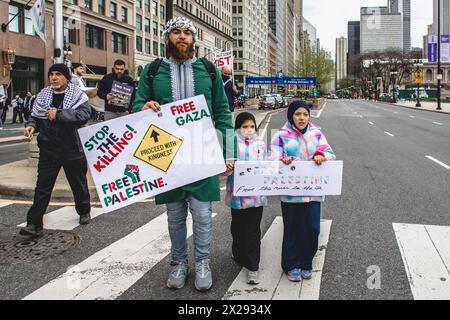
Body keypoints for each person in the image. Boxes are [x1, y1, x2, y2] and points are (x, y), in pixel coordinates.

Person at [132, 16, 235, 292]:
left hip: (201, 153)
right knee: (174, 216)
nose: (181, 37)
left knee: (202, 214)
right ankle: (178, 263)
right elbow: (137, 105)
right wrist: (143, 107)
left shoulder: (209, 70)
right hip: (165, 157)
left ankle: (202, 262)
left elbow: (224, 112)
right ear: (167, 38)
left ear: (193, 39)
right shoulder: (153, 71)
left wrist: (229, 151)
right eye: (175, 32)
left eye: (186, 33)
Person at [19, 64, 92, 237]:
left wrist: (58, 114)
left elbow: (84, 115)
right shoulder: (43, 95)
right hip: (49, 149)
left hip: (72, 148)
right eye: (51, 74)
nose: (54, 77)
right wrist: (30, 126)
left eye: (58, 74)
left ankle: (83, 211)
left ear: (67, 77)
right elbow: (35, 117)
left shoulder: (77, 95)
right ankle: (34, 224)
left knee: (78, 183)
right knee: (42, 187)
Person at [270, 100, 336, 282]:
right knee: (292, 230)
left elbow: (331, 153)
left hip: (313, 192)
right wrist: (282, 160)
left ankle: (306, 262)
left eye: (305, 114)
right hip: (291, 194)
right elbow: (272, 159)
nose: (301, 118)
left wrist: (322, 156)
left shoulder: (316, 134)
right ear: (291, 115)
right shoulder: (281, 136)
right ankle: (291, 264)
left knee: (312, 230)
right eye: (298, 114)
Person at [224, 112, 267, 285]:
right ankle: (238, 253)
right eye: (244, 126)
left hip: (257, 197)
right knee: (238, 229)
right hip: (238, 197)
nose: (249, 130)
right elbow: (223, 171)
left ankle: (253, 267)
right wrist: (228, 167)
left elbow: (268, 166)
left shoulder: (260, 144)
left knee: (253, 231)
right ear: (237, 128)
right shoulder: (231, 144)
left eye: (252, 126)